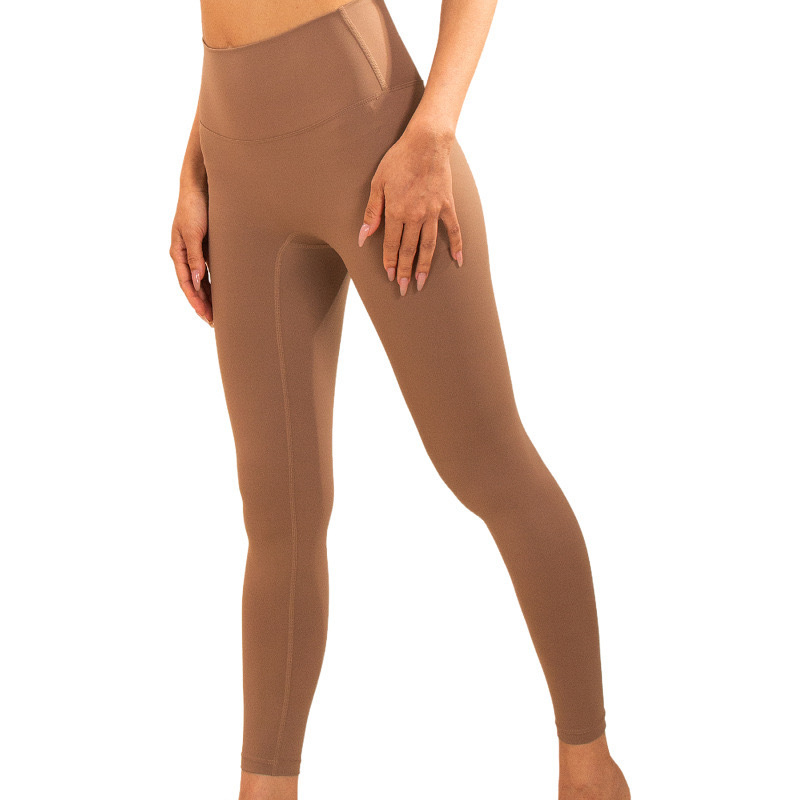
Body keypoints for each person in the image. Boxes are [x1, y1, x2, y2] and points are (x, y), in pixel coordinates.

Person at [169, 1, 631, 798]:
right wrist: (195, 161)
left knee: (488, 463)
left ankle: (591, 772)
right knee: (278, 514)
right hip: (233, 150)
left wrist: (432, 132)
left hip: (370, 138)